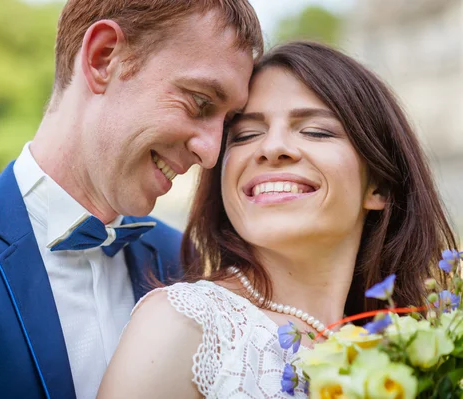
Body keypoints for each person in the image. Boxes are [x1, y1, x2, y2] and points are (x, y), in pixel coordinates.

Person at [0, 1, 263, 398]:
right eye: (200, 102)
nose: (211, 154)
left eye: (227, 123)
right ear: (103, 57)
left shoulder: (183, 263)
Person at [96, 41, 459, 398]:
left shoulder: (407, 347)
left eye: (316, 131)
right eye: (246, 135)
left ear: (378, 186)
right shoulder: (186, 326)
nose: (271, 148)